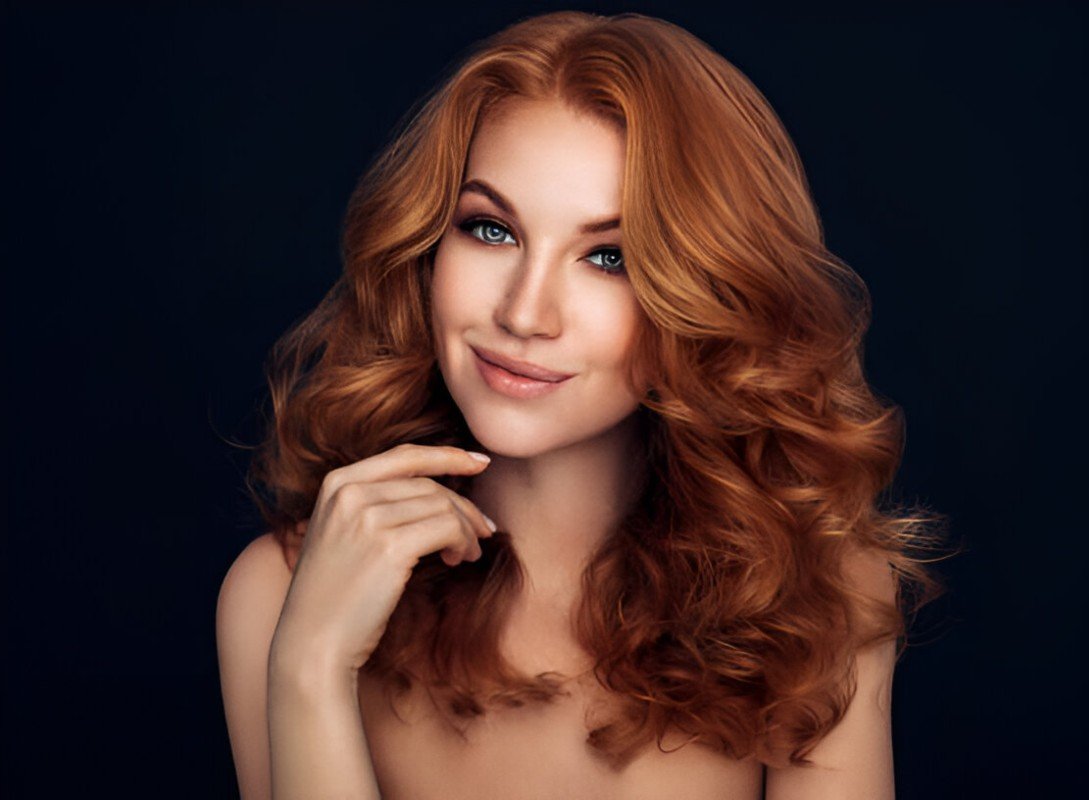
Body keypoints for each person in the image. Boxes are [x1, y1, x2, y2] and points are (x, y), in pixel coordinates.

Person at [216, 10, 945, 799]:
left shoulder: (813, 596)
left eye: (609, 257)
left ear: (706, 293)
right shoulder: (281, 595)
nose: (526, 314)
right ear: (427, 246)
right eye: (491, 231)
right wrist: (311, 666)